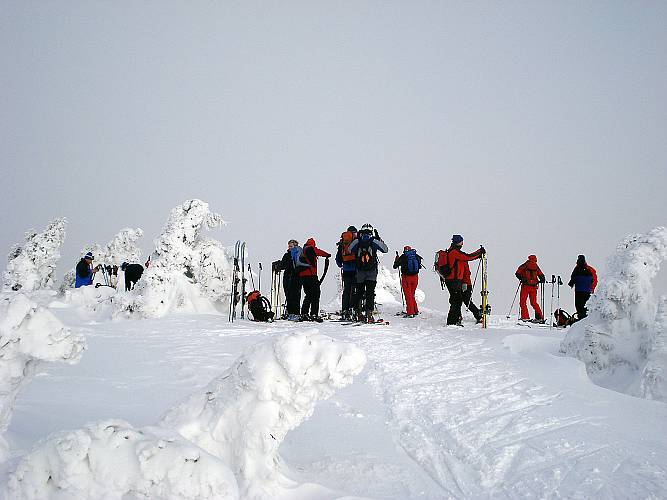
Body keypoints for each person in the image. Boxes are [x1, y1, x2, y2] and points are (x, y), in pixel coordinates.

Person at [440, 235, 484, 326]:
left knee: (457, 300)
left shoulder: (452, 251)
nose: (462, 243)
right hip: (454, 280)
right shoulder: (455, 252)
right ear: (458, 242)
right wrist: (479, 252)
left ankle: (456, 319)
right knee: (456, 301)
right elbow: (467, 257)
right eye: (461, 242)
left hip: (453, 280)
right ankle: (452, 322)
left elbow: (466, 258)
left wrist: (477, 255)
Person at [349, 223, 389, 323]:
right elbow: (385, 249)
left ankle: (358, 313)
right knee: (370, 293)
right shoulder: (374, 241)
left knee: (359, 292)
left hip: (360, 271)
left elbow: (349, 250)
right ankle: (369, 314)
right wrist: (378, 239)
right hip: (371, 272)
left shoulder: (357, 241)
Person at [298, 238, 331, 322]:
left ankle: (304, 313)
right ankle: (314, 314)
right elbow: (319, 251)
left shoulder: (302, 251)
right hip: (311, 276)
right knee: (315, 295)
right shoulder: (310, 248)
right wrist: (327, 255)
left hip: (303, 276)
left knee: (308, 295)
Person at [272, 239, 299, 319]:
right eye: (289, 246)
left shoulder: (298, 255)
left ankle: (295, 313)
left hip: (295, 277)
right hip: (287, 277)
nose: (289, 247)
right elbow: (283, 265)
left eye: (291, 246)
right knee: (288, 295)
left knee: (295, 296)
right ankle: (290, 312)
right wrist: (278, 265)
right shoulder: (286, 255)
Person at [335, 226, 358, 320]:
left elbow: (338, 260)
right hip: (356, 270)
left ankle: (345, 310)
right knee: (355, 290)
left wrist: (342, 264)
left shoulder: (343, 243)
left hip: (346, 270)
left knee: (346, 290)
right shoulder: (357, 242)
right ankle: (354, 309)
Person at [393, 246, 422, 317]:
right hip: (415, 277)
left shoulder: (403, 257)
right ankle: (415, 310)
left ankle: (410, 312)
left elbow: (395, 266)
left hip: (406, 278)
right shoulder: (416, 256)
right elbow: (420, 266)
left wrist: (397, 260)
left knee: (408, 295)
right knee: (412, 294)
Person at [515, 255, 546, 322]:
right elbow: (542, 276)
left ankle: (525, 317)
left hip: (525, 286)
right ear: (535, 259)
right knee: (534, 302)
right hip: (534, 287)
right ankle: (540, 317)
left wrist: (522, 279)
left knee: (523, 302)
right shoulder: (536, 266)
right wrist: (541, 280)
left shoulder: (525, 265)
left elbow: (517, 273)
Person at [568, 254, 597, 320]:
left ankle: (581, 320)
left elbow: (573, 278)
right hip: (586, 291)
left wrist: (571, 283)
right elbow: (594, 279)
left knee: (579, 306)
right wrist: (592, 289)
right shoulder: (590, 269)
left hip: (579, 291)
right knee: (585, 307)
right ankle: (584, 320)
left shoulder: (577, 268)